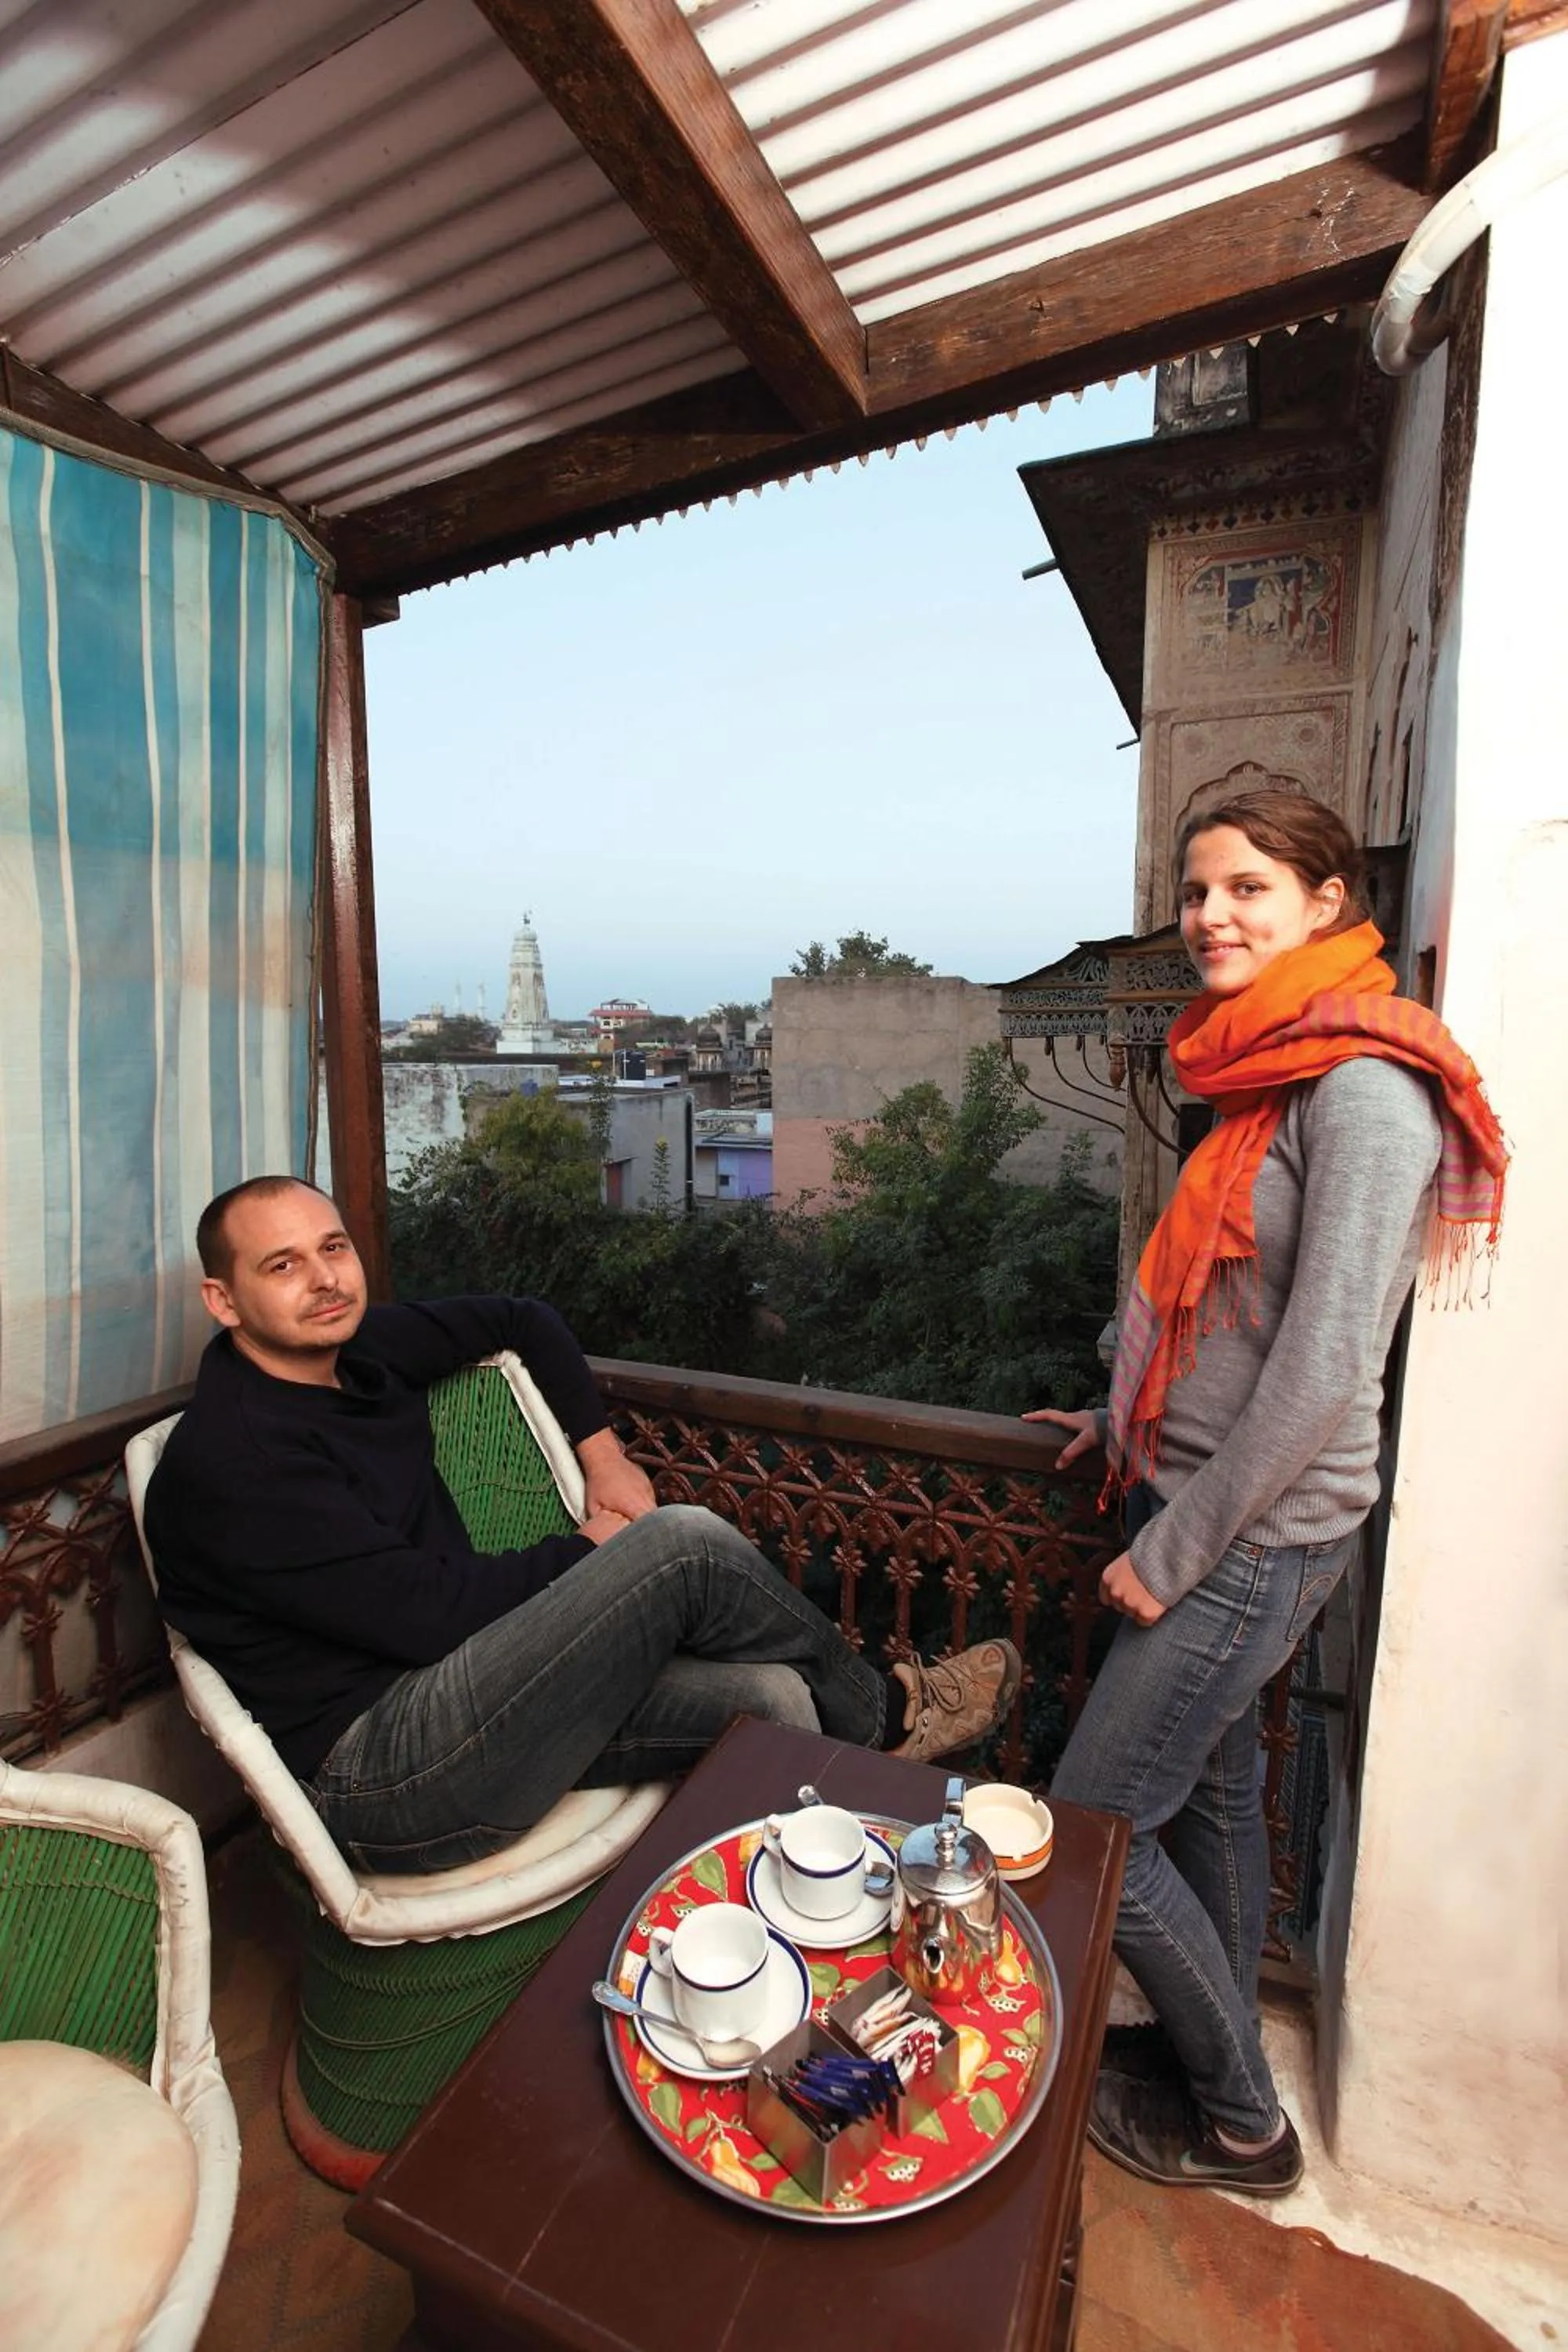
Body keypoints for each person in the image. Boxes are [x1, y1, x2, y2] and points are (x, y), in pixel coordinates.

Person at [1029, 789, 1506, 2196]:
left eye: (1247, 887)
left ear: (1326, 905)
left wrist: (1173, 1548)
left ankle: (1244, 2121)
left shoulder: (1364, 1089)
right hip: (1186, 1494)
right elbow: (1202, 1291)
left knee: (1097, 1822)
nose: (1211, 916)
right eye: (1196, 891)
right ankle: (1210, 2043)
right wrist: (1118, 1402)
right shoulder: (1252, 1074)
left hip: (1250, 1537)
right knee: (1222, 1800)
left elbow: (1322, 1370)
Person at [144, 1176, 1020, 1874]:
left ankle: (820, 1878)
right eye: (283, 1266)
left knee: (778, 1702)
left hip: (469, 1689)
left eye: (332, 1247)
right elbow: (423, 1614)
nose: (325, 1278)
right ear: (223, 1302)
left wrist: (603, 1456)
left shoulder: (358, 1350)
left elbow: (525, 1318)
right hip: (381, 1774)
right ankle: (891, 1716)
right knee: (678, 1546)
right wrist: (587, 1550)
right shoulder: (233, 1463)